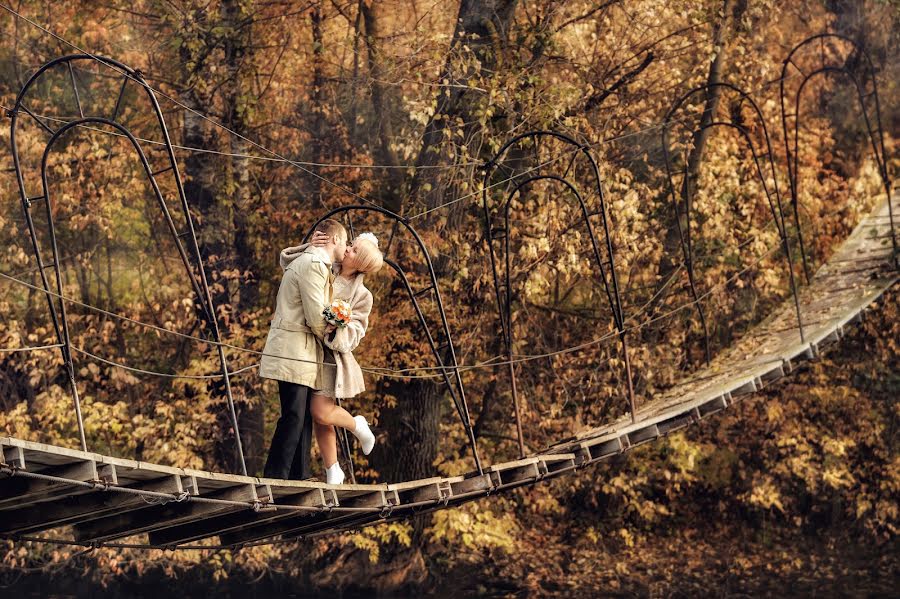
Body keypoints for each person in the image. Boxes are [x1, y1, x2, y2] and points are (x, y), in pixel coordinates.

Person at [259, 219, 347, 481]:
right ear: (333, 240)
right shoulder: (313, 265)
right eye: (344, 241)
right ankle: (276, 476)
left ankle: (299, 474)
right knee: (294, 415)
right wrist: (335, 338)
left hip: (302, 352)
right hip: (293, 350)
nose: (346, 247)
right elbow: (315, 316)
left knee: (302, 416)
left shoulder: (314, 263)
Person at [306, 232, 382, 484]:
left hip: (328, 357)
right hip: (304, 350)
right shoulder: (325, 264)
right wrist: (309, 247)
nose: (347, 249)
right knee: (316, 415)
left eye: (353, 249)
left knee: (320, 412)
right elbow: (296, 274)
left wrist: (335, 327)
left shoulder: (363, 296)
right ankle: (333, 469)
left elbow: (355, 333)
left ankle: (357, 425)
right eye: (349, 245)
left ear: (360, 262)